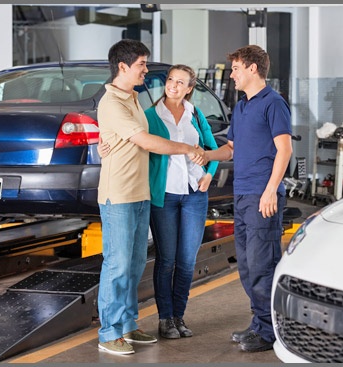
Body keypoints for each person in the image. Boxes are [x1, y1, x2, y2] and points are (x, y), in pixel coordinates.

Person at [96, 39, 204, 356]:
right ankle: (108, 333)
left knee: (134, 264)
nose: (147, 69)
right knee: (116, 265)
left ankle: (128, 326)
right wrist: (186, 148)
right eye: (142, 63)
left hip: (140, 192)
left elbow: (122, 140)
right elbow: (145, 140)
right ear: (123, 66)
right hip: (119, 195)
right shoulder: (112, 102)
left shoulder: (133, 98)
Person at [200, 45, 293, 353]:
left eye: (236, 69)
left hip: (261, 197)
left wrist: (270, 191)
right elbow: (233, 149)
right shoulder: (241, 106)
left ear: (253, 69)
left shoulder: (274, 103)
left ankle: (270, 332)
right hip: (241, 194)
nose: (232, 75)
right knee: (247, 266)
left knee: (263, 263)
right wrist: (207, 155)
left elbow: (285, 150)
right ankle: (258, 324)